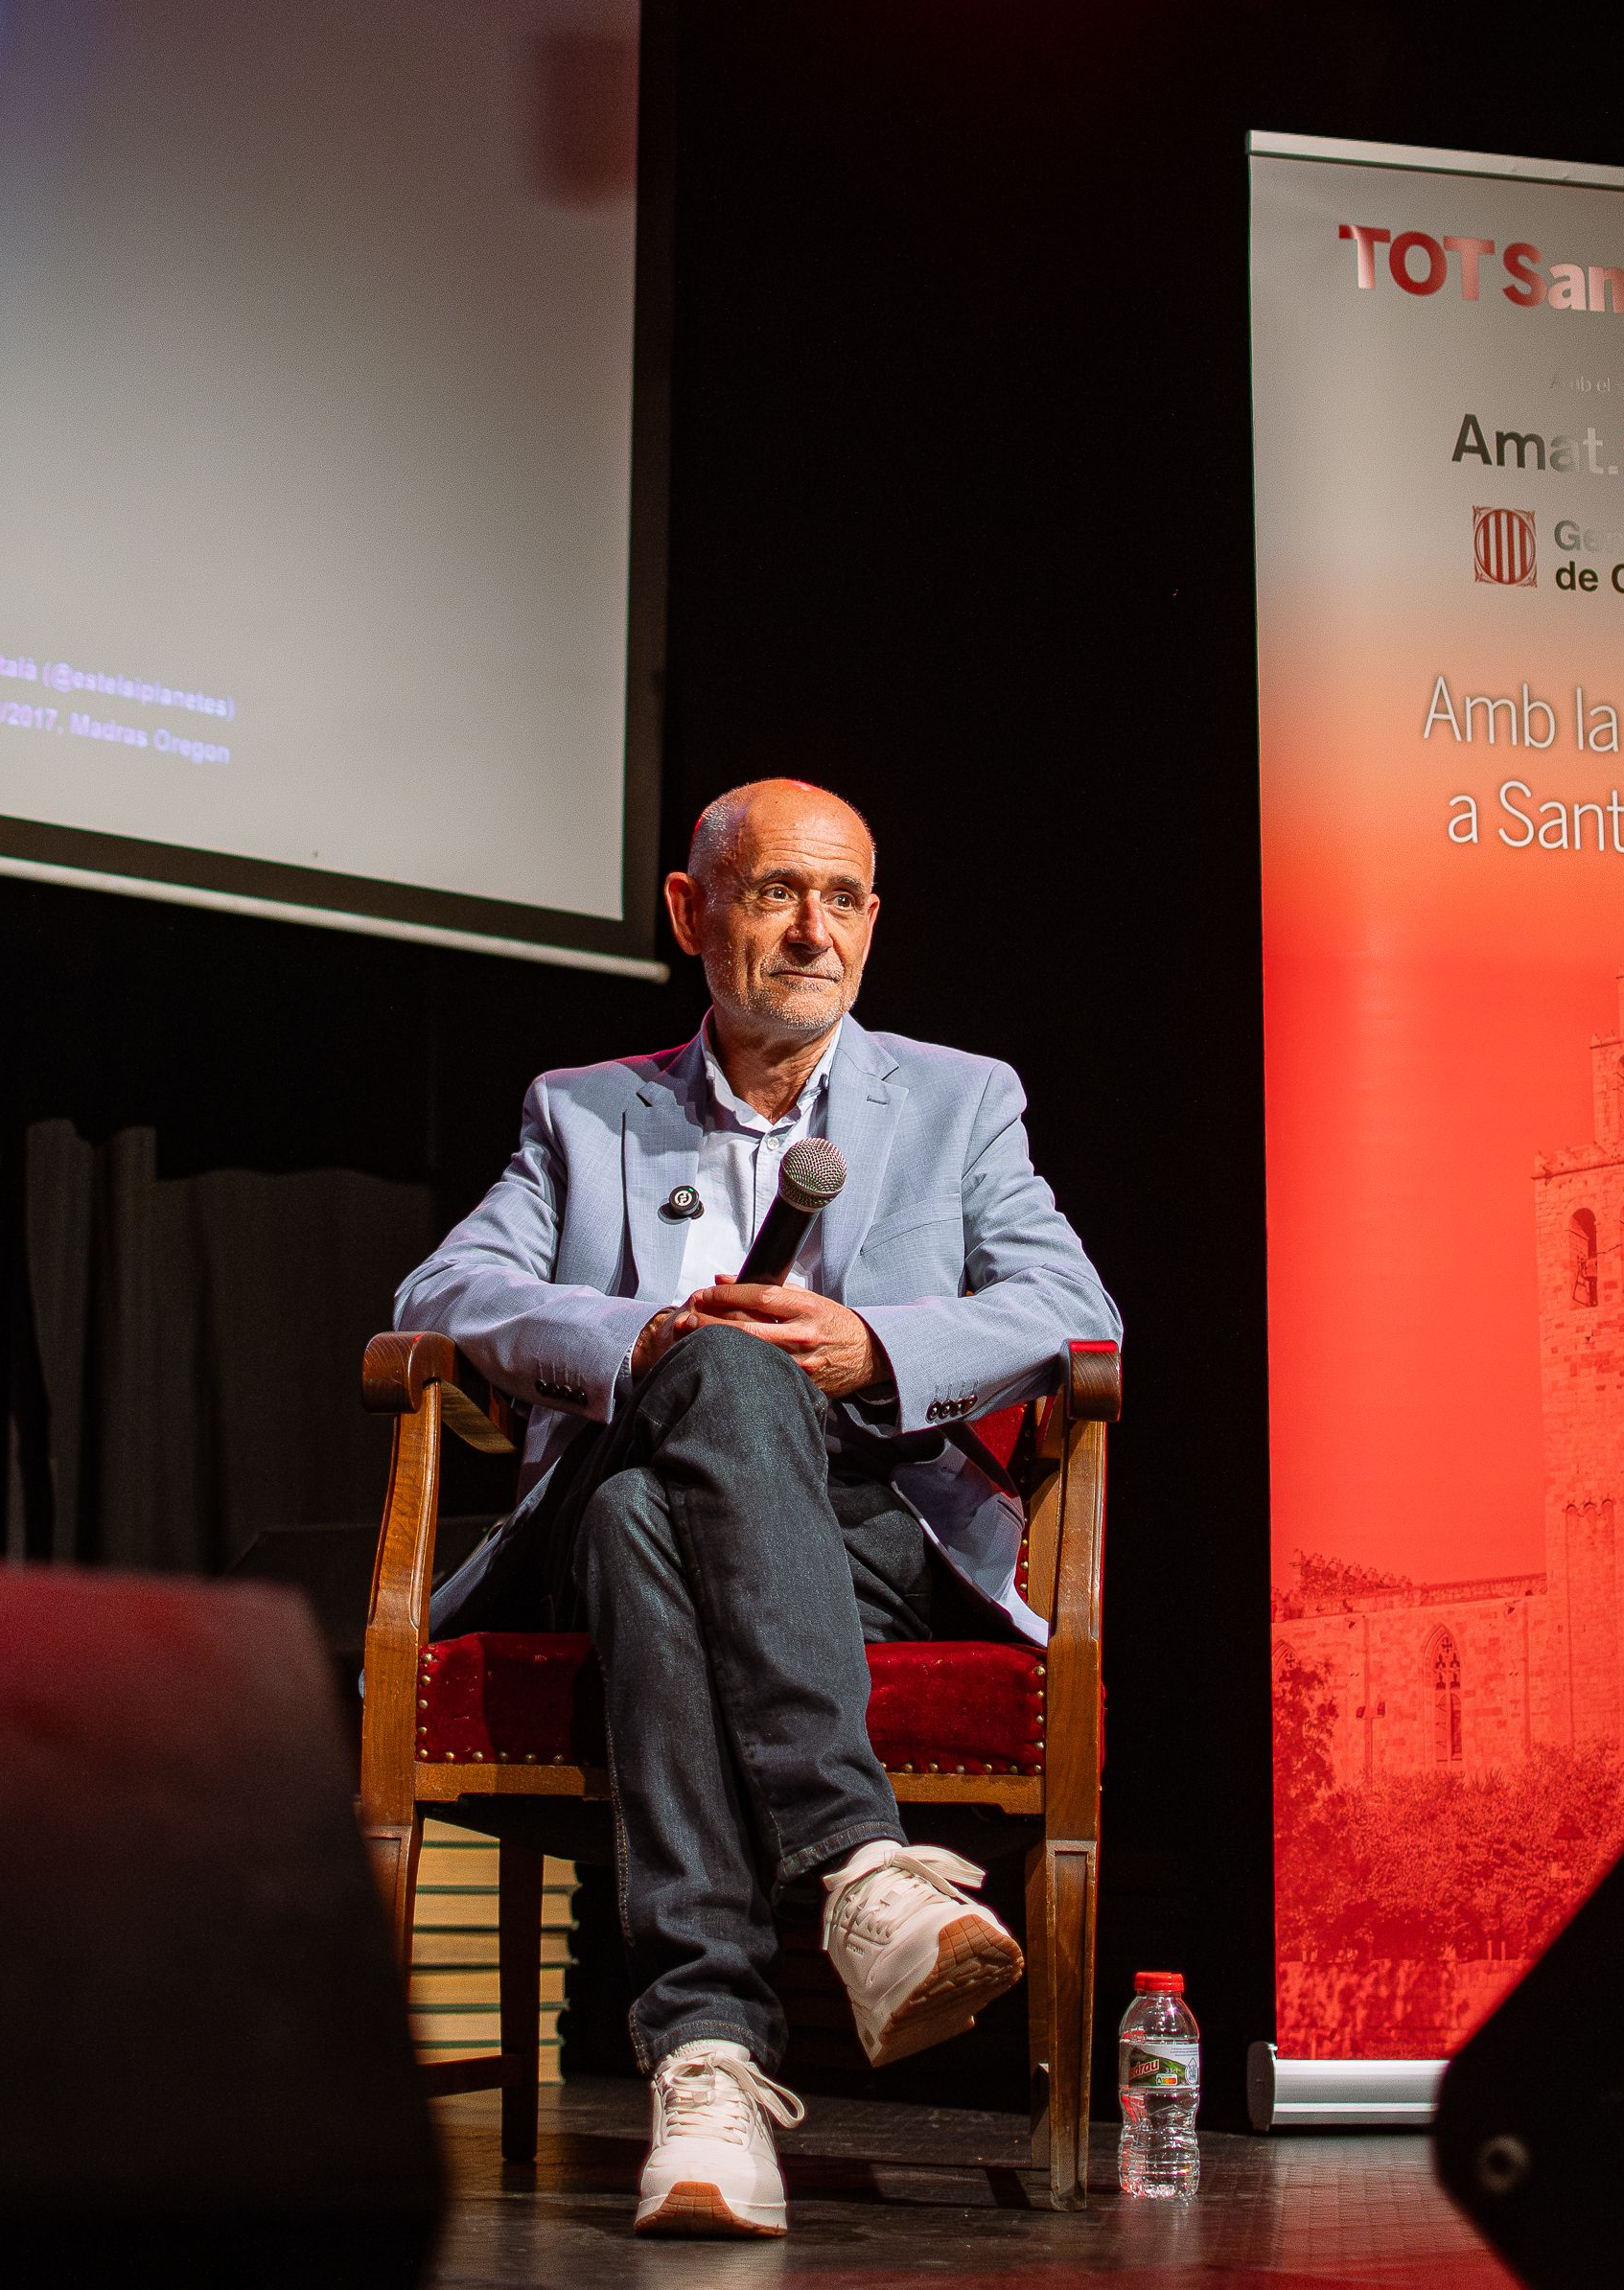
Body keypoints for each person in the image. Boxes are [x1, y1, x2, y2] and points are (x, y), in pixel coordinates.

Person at [396, 778, 1120, 2235]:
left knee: (635, 1530)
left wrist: (881, 1348)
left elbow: (1072, 1305)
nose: (814, 931)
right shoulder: (582, 1114)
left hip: (862, 1539)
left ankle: (708, 2060)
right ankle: (859, 1865)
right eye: (777, 892)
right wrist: (628, 1345)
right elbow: (444, 1293)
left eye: (843, 899)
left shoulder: (962, 1100)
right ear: (689, 913)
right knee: (703, 1380)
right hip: (640, 1451)